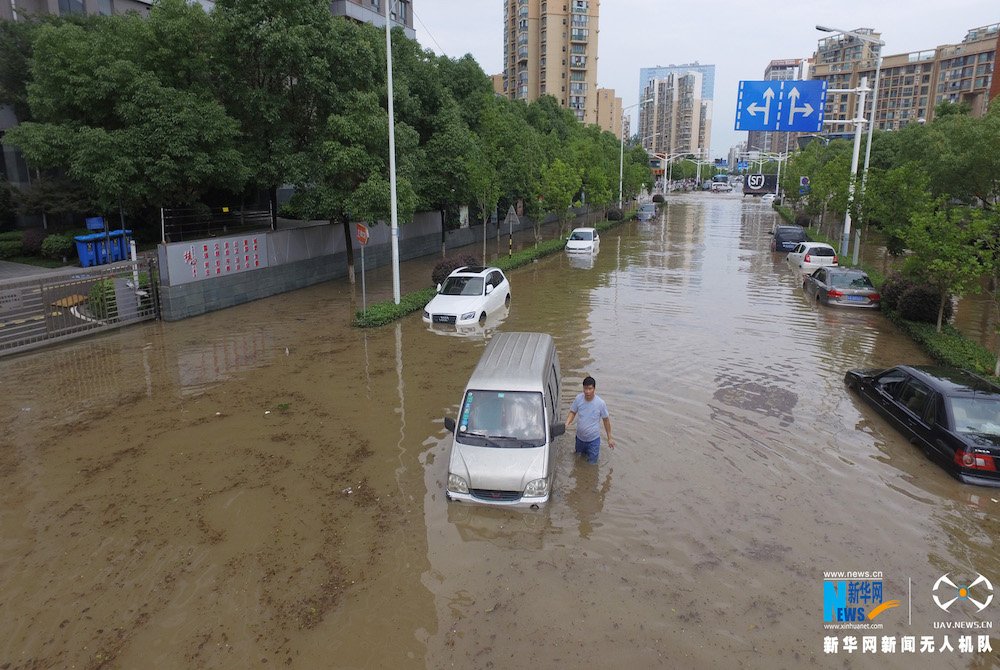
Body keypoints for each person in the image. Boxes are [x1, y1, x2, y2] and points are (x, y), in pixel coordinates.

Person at [566, 376, 615, 464]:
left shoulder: (600, 403)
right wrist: (567, 423)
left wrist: (609, 438)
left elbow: (606, 420)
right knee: (578, 461)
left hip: (593, 441)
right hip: (579, 439)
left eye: (590, 389)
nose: (587, 391)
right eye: (585, 388)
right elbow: (572, 412)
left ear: (594, 389)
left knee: (592, 465)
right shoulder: (578, 399)